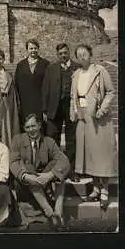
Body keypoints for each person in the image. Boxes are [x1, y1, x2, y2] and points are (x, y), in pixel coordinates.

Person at [70, 44, 117, 210]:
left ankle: (104, 190)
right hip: (83, 118)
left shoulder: (100, 71)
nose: (82, 56)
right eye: (79, 54)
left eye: (85, 53)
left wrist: (102, 109)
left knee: (101, 154)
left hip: (98, 119)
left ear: (90, 55)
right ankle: (95, 188)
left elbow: (111, 92)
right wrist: (73, 112)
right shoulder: (76, 74)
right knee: (89, 155)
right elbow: (72, 96)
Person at [10, 113, 70, 230]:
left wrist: (50, 175)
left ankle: (57, 213)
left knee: (59, 172)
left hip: (44, 181)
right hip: (25, 183)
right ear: (24, 128)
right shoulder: (17, 140)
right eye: (27, 127)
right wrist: (27, 176)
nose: (31, 130)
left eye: (33, 126)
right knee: (29, 170)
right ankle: (50, 213)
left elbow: (64, 161)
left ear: (39, 125)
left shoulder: (49, 141)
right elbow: (13, 163)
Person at [42, 43, 80, 180]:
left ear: (69, 52)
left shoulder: (77, 67)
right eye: (60, 54)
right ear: (57, 55)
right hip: (55, 108)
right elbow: (45, 89)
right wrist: (44, 110)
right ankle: (56, 169)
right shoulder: (51, 68)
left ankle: (71, 170)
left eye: (65, 52)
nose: (63, 55)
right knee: (53, 137)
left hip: (71, 107)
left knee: (72, 139)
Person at [14, 39, 50, 125]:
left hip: (40, 103)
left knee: (39, 126)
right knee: (27, 126)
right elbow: (17, 84)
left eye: (35, 48)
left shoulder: (46, 64)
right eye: (31, 48)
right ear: (27, 50)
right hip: (25, 103)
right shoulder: (21, 65)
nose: (33, 50)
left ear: (38, 49)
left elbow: (49, 85)